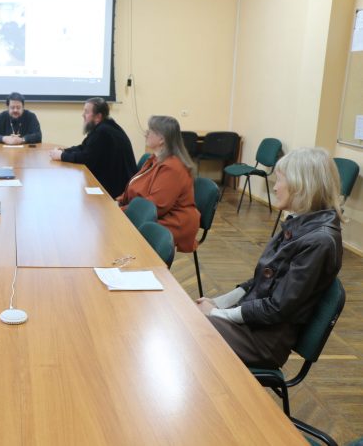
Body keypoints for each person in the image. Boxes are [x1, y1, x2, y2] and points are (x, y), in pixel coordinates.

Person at [196, 147, 343, 369]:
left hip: (264, 342)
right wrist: (218, 303)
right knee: (189, 319)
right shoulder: (299, 223)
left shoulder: (320, 241)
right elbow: (259, 281)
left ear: (301, 185)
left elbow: (277, 308)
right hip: (254, 326)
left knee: (191, 328)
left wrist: (217, 314)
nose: (274, 187)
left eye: (280, 180)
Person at [116, 115, 199, 252]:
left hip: (173, 221)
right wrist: (120, 202)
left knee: (118, 231)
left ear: (162, 139)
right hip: (156, 214)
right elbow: (137, 185)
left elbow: (156, 207)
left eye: (150, 131)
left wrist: (121, 211)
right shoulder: (154, 159)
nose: (146, 134)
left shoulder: (172, 167)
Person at [48, 97, 136, 198]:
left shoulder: (103, 132)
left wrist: (62, 156)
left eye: (86, 112)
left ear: (98, 116)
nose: (83, 115)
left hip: (118, 188)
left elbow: (86, 159)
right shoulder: (104, 126)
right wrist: (64, 151)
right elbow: (84, 147)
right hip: (114, 179)